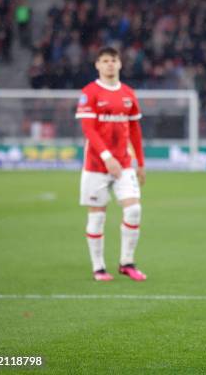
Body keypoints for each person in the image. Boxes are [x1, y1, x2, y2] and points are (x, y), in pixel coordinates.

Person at [75, 47, 147, 282]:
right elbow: (89, 129)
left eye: (113, 60)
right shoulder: (90, 92)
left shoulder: (128, 93)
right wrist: (107, 157)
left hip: (124, 164)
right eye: (104, 61)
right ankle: (99, 267)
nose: (109, 64)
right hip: (96, 165)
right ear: (97, 65)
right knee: (97, 216)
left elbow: (135, 130)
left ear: (119, 64)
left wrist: (140, 162)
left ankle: (127, 262)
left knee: (134, 209)